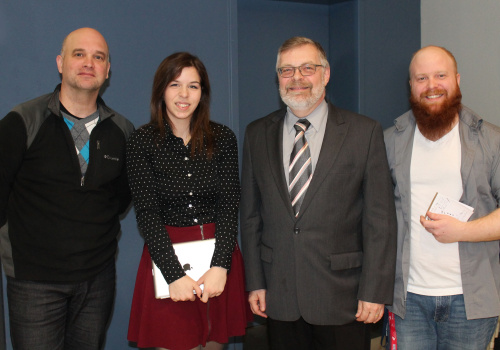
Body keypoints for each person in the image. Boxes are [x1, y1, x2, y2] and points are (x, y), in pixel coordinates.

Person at [240, 36, 397, 350]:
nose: (296, 78)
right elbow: (251, 216)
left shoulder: (364, 132)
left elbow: (380, 220)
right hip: (279, 295)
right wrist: (256, 282)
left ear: (325, 75)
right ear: (278, 79)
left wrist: (374, 290)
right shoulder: (257, 133)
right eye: (287, 70)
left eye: (307, 68)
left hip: (344, 298)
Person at [0, 27, 134, 349]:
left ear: (107, 70)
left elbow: (119, 200)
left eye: (98, 57)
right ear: (61, 63)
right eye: (79, 54)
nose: (89, 63)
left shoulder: (122, 131)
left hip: (97, 282)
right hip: (34, 283)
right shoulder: (22, 122)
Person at [127, 52, 250, 350]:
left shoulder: (223, 138)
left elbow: (229, 204)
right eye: (175, 85)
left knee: (212, 343)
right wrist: (174, 275)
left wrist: (221, 266)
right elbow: (147, 213)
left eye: (193, 86)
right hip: (168, 260)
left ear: (203, 93)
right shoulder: (141, 141)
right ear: (161, 90)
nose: (184, 95)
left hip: (217, 260)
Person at [384, 45, 500, 349]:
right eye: (421, 78)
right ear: (410, 86)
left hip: (471, 301)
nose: (431, 85)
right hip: (408, 300)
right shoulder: (390, 140)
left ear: (457, 79)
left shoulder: (491, 140)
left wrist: (464, 231)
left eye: (440, 75)